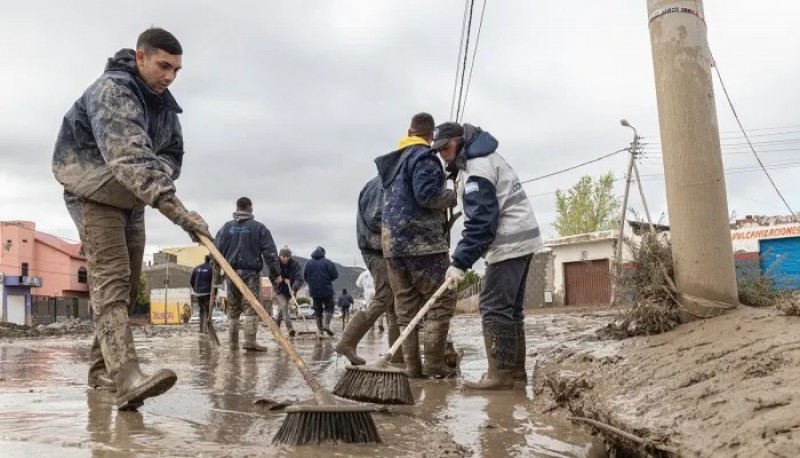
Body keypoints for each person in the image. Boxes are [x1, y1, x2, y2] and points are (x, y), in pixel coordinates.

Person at [52, 28, 210, 410]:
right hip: (92, 191)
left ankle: (100, 370)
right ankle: (127, 377)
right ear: (141, 57)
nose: (170, 76)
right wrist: (179, 213)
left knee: (124, 284)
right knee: (112, 278)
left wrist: (160, 177)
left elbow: (172, 153)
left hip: (133, 198)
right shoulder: (114, 91)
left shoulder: (164, 106)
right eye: (163, 66)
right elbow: (131, 158)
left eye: (176, 70)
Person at [431, 122, 543, 389]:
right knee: (511, 311)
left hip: (509, 243)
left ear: (460, 140)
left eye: (446, 147)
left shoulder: (477, 168)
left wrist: (459, 262)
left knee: (493, 308)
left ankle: (499, 376)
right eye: (438, 150)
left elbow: (482, 223)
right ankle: (515, 373)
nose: (442, 154)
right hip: (523, 240)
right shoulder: (485, 159)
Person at [375, 113, 458, 378]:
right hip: (423, 244)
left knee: (406, 308)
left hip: (392, 246)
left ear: (408, 131)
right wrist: (452, 196)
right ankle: (433, 365)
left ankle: (412, 368)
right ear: (431, 135)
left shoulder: (394, 163)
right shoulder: (423, 157)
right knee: (442, 301)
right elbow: (427, 196)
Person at [334, 176, 403, 365]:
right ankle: (347, 341)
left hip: (384, 249)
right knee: (385, 296)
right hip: (377, 249)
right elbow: (376, 219)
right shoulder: (382, 184)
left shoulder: (386, 182)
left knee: (394, 303)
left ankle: (398, 355)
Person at [215, 197, 281, 352]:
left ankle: (233, 344)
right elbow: (270, 253)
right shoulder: (258, 228)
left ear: (237, 208)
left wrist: (217, 272)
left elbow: (216, 251)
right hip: (250, 273)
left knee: (233, 308)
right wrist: (276, 273)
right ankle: (250, 341)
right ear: (250, 208)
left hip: (231, 274)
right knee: (252, 307)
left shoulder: (226, 228)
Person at [303, 246, 338, 337]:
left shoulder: (308, 263)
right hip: (327, 290)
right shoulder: (328, 262)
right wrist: (327, 280)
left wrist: (312, 283)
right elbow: (335, 275)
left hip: (314, 291)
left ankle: (320, 331)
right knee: (329, 307)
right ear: (323, 253)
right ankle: (326, 325)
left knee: (317, 310)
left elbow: (305, 277)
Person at [273, 245, 304, 337]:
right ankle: (289, 327)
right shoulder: (276, 264)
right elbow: (272, 276)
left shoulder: (295, 264)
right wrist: (282, 279)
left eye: (287, 256)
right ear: (280, 256)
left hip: (291, 290)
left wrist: (294, 289)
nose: (285, 259)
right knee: (284, 305)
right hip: (280, 289)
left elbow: (300, 278)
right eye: (283, 256)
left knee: (282, 307)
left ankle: (276, 325)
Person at [190, 255, 214, 333]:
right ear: (210, 261)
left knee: (201, 310)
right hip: (207, 292)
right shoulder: (211, 269)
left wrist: (196, 290)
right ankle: (208, 330)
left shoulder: (196, 268)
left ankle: (201, 329)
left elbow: (191, 281)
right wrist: (214, 294)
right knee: (207, 310)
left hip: (198, 292)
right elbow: (214, 283)